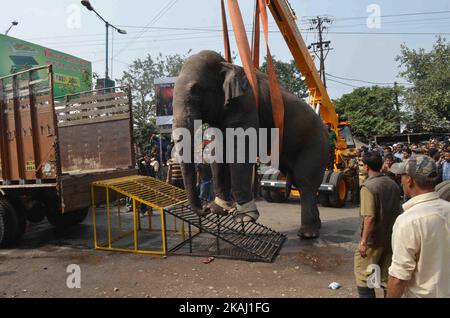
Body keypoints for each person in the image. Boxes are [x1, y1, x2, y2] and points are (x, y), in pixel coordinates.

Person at [387, 155, 450, 298]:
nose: (401, 180)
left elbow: (398, 277)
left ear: (409, 180)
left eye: (402, 176)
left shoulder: (408, 221)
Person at [354, 152, 401, 298]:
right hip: (390, 239)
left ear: (366, 167)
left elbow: (369, 218)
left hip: (373, 241)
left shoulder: (368, 187)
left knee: (363, 276)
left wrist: (363, 242)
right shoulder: (392, 183)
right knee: (387, 277)